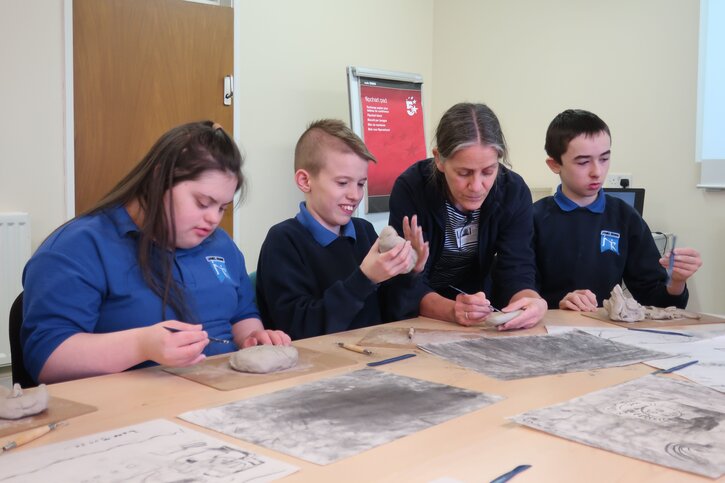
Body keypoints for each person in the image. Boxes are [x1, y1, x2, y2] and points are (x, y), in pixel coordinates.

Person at [21, 121, 290, 384]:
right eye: (202, 202)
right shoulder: (79, 247)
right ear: (159, 179)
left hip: (222, 396)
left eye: (222, 208)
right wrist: (141, 345)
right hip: (135, 411)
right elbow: (47, 358)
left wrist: (253, 338)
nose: (213, 219)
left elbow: (241, 313)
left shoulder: (220, 244)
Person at [256, 119, 429, 340]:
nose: (355, 195)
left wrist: (411, 273)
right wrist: (364, 278)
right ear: (305, 181)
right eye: (342, 183)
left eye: (360, 183)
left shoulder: (364, 231)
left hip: (371, 357)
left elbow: (394, 312)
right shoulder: (283, 241)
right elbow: (298, 330)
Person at [388, 102, 547, 330]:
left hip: (475, 310)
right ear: (439, 160)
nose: (477, 186)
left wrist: (530, 301)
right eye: (464, 173)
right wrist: (452, 310)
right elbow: (404, 279)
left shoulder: (513, 191)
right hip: (419, 316)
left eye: (489, 171)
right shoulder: (412, 188)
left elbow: (517, 267)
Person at [533, 109, 702, 311]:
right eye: (584, 162)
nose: (597, 172)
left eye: (604, 159)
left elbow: (654, 300)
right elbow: (516, 293)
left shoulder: (625, 217)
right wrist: (555, 306)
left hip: (606, 332)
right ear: (554, 164)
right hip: (547, 331)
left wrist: (676, 282)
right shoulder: (533, 218)